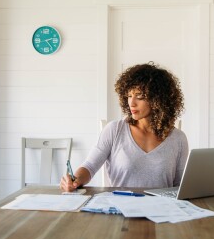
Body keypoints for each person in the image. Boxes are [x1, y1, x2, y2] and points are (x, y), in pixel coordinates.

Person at [60, 62, 189, 192]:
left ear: (159, 100)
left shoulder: (178, 139)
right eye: (129, 96)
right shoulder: (114, 130)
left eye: (140, 97)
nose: (131, 103)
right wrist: (74, 180)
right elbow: (89, 166)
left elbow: (180, 186)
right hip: (120, 207)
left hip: (162, 209)